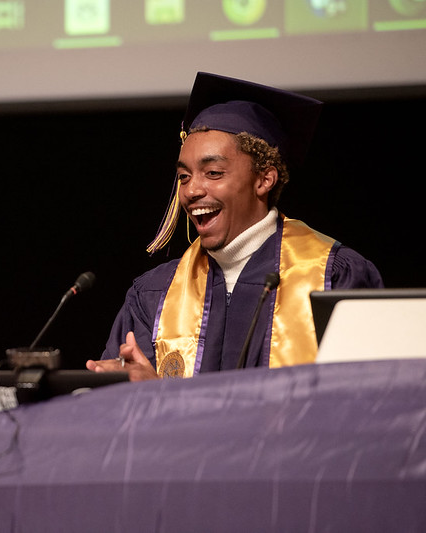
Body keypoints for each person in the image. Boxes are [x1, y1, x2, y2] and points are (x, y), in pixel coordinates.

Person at [86, 72, 383, 381]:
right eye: (184, 176)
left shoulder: (332, 275)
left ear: (264, 180)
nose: (191, 190)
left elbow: (367, 401)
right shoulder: (154, 295)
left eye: (213, 172)